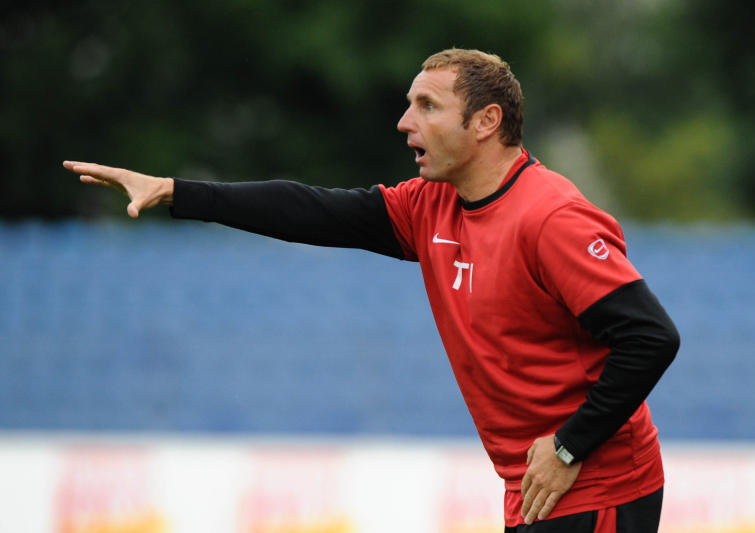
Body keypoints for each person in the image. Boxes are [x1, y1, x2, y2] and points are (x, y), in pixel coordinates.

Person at [64, 48, 679, 532]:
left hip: (597, 484)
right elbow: (310, 210)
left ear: (486, 122)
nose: (405, 122)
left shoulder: (549, 217)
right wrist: (177, 191)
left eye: (427, 106)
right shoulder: (430, 205)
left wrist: (568, 447)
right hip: (536, 486)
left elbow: (651, 337)